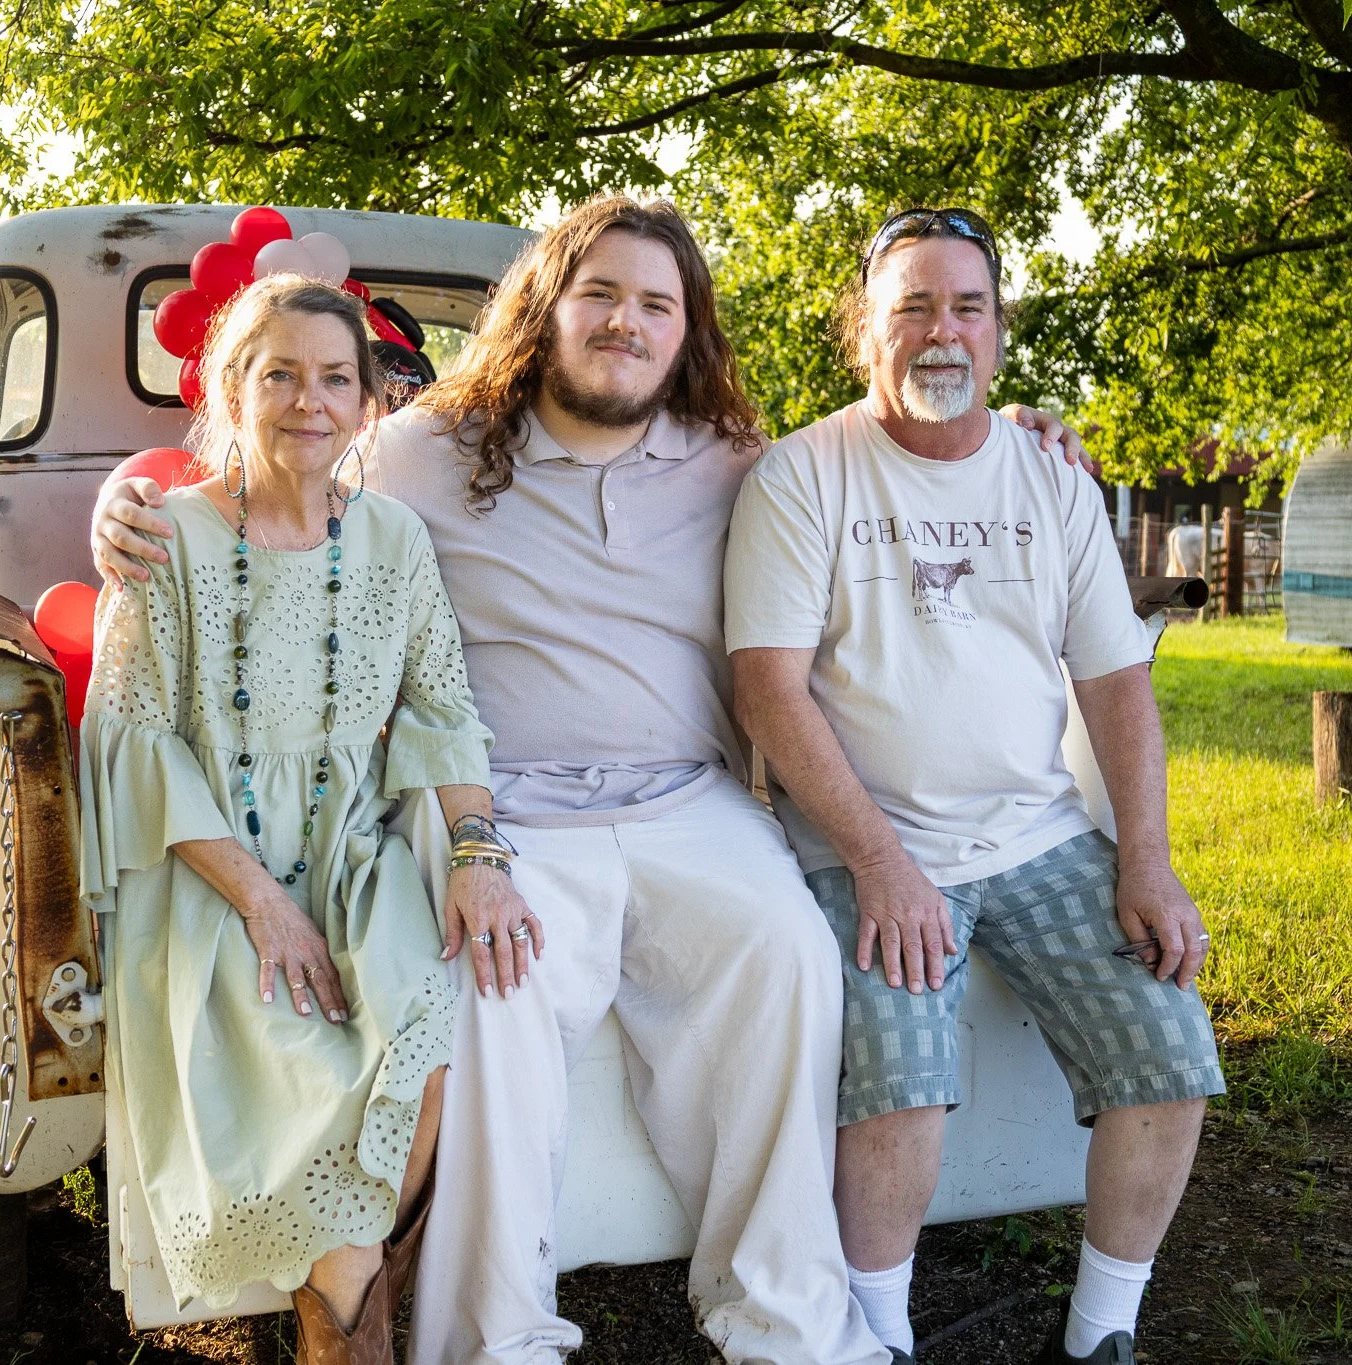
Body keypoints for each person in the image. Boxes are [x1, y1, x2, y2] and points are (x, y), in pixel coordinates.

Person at [90, 197, 1092, 1365]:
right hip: (508, 809)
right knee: (495, 991)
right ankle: (493, 1338)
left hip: (687, 802)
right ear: (545, 306)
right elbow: (279, 473)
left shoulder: (738, 466)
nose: (626, 322)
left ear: (685, 331)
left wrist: (1016, 423)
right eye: (600, 295)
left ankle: (786, 1322)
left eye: (655, 305)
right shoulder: (425, 449)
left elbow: (896, 458)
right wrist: (126, 498)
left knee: (784, 955)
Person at [725, 207, 1227, 1365]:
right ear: (863, 334)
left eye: (965, 307)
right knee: (900, 1080)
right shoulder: (803, 476)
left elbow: (1113, 681)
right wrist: (880, 865)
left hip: (1037, 836)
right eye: (910, 308)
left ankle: (1101, 1334)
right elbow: (768, 692)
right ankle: (878, 1337)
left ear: (998, 334)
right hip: (868, 841)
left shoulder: (1049, 477)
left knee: (1166, 1046)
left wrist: (1145, 860)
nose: (938, 332)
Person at [79, 274, 530, 1365]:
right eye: (278, 374)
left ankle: (341, 1311)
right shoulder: (165, 539)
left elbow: (443, 711)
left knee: (423, 1052)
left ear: (369, 402)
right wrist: (265, 906)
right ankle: (349, 1333)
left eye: (335, 378)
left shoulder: (393, 542)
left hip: (352, 855)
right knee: (298, 1068)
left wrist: (475, 851)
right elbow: (132, 741)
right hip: (208, 873)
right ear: (233, 387)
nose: (308, 401)